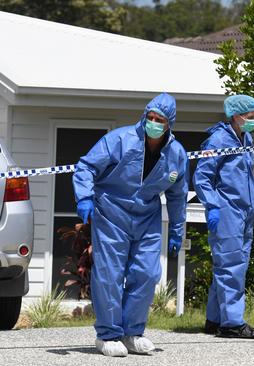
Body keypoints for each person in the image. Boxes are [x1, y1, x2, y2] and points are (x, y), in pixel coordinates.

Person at [73, 92, 188, 357]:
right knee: (111, 273)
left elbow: (177, 194)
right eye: (150, 117)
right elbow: (86, 167)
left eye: (160, 119)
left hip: (147, 216)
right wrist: (85, 198)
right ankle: (108, 334)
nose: (154, 122)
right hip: (111, 211)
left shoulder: (176, 154)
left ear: (170, 123)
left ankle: (132, 332)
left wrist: (177, 230)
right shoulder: (120, 139)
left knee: (147, 274)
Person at [193, 94, 254, 339]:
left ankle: (215, 319)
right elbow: (202, 177)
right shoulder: (218, 140)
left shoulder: (245, 137)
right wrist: (212, 206)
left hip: (245, 212)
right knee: (231, 265)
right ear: (237, 115)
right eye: (251, 116)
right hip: (227, 211)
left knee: (232, 265)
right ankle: (233, 323)